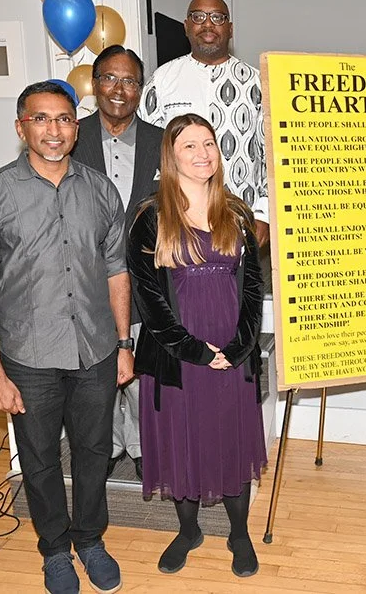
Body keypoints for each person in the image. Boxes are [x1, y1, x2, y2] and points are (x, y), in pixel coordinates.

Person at [0, 81, 129, 594]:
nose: (54, 130)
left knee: (95, 450)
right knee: (38, 458)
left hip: (96, 349)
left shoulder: (100, 190)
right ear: (21, 127)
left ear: (76, 129)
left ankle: (91, 539)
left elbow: (117, 269)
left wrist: (123, 344)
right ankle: (55, 549)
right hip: (28, 356)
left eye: (64, 119)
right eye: (41, 119)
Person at [127, 113, 266, 577]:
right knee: (180, 442)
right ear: (171, 155)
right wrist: (197, 351)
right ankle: (188, 532)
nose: (203, 153)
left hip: (233, 352)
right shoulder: (150, 219)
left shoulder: (238, 213)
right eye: (190, 145)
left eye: (208, 143)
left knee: (232, 440)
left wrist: (240, 345)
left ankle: (240, 533)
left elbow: (251, 288)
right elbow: (148, 299)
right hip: (176, 356)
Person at [72, 45, 162, 481]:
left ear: (140, 89)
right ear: (94, 84)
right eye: (110, 78)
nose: (119, 90)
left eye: (130, 81)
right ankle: (106, 445)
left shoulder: (162, 141)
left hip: (148, 282)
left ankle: (143, 446)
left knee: (141, 368)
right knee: (98, 370)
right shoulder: (70, 136)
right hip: (85, 280)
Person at [138, 0, 269, 247]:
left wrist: (263, 213)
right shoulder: (163, 80)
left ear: (230, 29)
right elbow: (149, 152)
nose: (208, 24)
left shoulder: (257, 82)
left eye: (217, 17)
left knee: (243, 287)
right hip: (179, 221)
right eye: (198, 16)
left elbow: (271, 154)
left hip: (243, 218)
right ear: (186, 26)